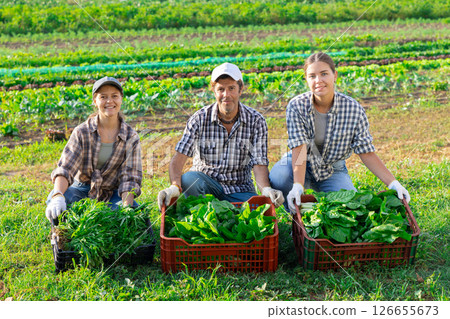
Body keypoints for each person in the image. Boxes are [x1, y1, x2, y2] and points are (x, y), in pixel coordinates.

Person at [269, 52, 410, 213]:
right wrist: (298, 185)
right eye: (312, 76)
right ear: (306, 79)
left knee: (348, 209)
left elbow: (366, 152)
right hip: (301, 163)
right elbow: (299, 148)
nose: (318, 80)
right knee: (280, 177)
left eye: (324, 74)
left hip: (332, 169)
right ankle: (295, 214)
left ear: (334, 75)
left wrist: (393, 183)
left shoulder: (353, 109)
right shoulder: (296, 106)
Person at [157, 63, 284, 209]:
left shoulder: (256, 121)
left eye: (231, 88)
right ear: (214, 91)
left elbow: (259, 164)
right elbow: (177, 161)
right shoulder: (199, 119)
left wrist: (266, 190)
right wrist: (174, 187)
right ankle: (204, 210)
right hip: (205, 184)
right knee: (189, 179)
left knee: (257, 212)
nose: (226, 95)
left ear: (240, 89)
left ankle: (219, 212)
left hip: (240, 188)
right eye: (221, 89)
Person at [45, 76, 143, 222]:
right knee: (59, 198)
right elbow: (66, 167)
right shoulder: (82, 132)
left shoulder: (131, 137)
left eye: (114, 96)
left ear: (121, 99)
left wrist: (126, 209)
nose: (109, 101)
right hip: (81, 189)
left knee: (132, 211)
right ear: (95, 101)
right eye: (103, 97)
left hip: (112, 193)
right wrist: (58, 195)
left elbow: (130, 179)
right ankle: (61, 232)